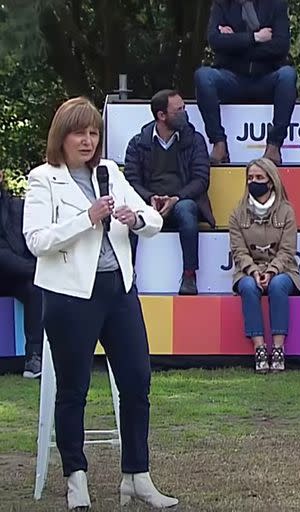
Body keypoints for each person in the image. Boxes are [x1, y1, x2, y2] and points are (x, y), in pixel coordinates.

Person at [22, 97, 177, 509]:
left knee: (137, 380)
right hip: (70, 296)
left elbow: (154, 219)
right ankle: (76, 477)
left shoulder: (110, 172)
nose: (88, 141)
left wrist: (138, 218)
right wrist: (86, 218)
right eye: (80, 133)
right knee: (74, 389)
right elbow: (36, 241)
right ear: (63, 136)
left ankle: (137, 475)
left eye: (94, 132)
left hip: (118, 290)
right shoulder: (43, 178)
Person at [229, 157, 300, 373]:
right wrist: (253, 270)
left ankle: (278, 348)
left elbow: (288, 250)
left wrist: (271, 271)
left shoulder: (286, 211)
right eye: (250, 178)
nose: (254, 182)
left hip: (283, 270)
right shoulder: (237, 213)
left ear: (271, 182)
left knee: (278, 285)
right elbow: (238, 251)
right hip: (248, 270)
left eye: (259, 177)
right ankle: (259, 348)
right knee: (249, 287)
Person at [124, 89, 214, 296]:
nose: (184, 113)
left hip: (182, 202)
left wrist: (176, 198)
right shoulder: (137, 144)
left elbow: (201, 179)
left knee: (186, 209)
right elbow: (131, 181)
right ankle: (128, 274)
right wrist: (149, 198)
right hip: (148, 204)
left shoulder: (195, 140)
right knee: (129, 214)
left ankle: (190, 276)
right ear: (161, 116)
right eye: (178, 110)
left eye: (184, 108)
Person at [194, 0, 297, 165]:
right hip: (231, 78)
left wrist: (234, 42)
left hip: (266, 77)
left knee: (287, 75)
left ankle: (274, 146)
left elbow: (280, 46)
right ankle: (219, 144)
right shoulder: (222, 5)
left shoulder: (276, 4)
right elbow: (215, 41)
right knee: (203, 76)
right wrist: (255, 38)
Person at [0, 169, 42, 378]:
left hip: (19, 275)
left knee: (34, 288)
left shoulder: (19, 206)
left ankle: (34, 357)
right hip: (14, 268)